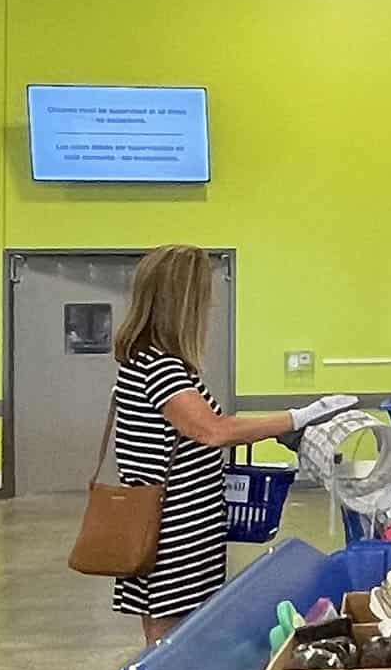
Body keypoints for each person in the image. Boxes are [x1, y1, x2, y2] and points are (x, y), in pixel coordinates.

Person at [107, 245, 354, 644]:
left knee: (180, 623)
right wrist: (297, 417)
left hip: (179, 516)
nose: (211, 304)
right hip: (174, 523)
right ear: (181, 302)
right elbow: (212, 430)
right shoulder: (159, 365)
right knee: (173, 630)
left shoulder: (146, 360)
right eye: (204, 295)